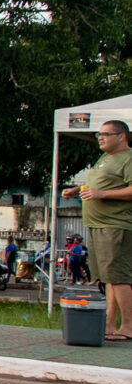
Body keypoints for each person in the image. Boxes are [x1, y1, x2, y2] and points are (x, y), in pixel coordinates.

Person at [63, 119, 132, 341]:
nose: (100, 137)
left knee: (119, 277)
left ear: (122, 136)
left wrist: (102, 195)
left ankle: (128, 327)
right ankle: (110, 324)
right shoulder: (105, 158)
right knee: (107, 278)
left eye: (106, 134)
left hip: (115, 225)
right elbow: (99, 186)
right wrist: (76, 190)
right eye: (98, 134)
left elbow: (115, 190)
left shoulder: (128, 158)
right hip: (97, 225)